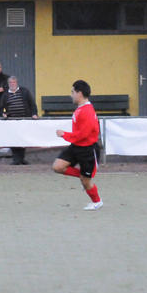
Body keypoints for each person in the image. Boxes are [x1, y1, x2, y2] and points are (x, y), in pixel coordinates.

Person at [52, 80, 102, 211]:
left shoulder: (87, 111)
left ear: (79, 93)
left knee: (86, 181)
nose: (71, 95)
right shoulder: (81, 109)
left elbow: (83, 134)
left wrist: (64, 134)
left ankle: (97, 202)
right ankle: (84, 176)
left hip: (87, 150)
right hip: (76, 146)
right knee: (58, 166)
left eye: (72, 92)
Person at [0, 76, 39, 165]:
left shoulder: (25, 91)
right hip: (12, 121)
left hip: (24, 119)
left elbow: (32, 104)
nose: (12, 84)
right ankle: (16, 159)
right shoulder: (5, 94)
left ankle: (21, 158)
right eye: (10, 82)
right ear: (8, 84)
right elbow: (2, 107)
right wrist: (3, 113)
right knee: (13, 139)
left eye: (14, 82)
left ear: (17, 83)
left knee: (23, 139)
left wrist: (34, 113)